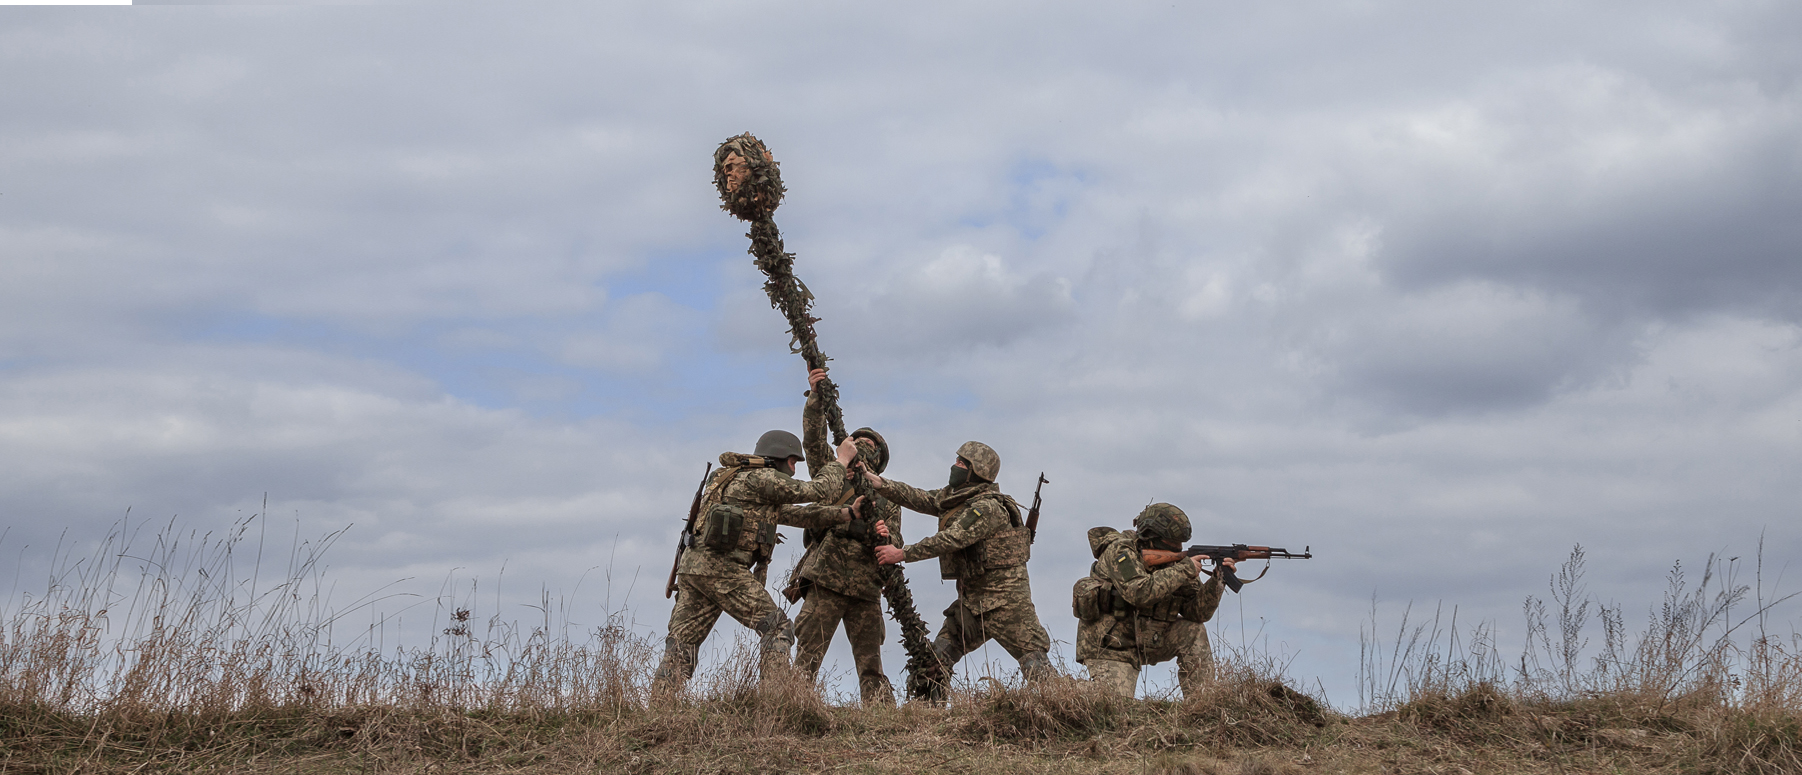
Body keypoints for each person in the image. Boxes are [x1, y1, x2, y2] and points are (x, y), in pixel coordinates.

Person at [651, 418, 865, 694]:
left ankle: (660, 708)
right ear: (784, 459)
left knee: (682, 643)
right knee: (777, 628)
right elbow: (819, 491)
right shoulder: (763, 479)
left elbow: (793, 515)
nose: (795, 468)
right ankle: (775, 701)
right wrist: (841, 461)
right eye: (794, 462)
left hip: (694, 569)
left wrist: (846, 514)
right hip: (723, 570)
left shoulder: (734, 478)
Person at [869, 441, 1053, 688]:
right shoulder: (957, 498)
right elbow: (920, 497)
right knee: (932, 665)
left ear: (975, 471)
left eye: (961, 463)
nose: (954, 466)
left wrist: (901, 554)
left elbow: (952, 538)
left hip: (1008, 606)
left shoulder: (987, 508)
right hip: (972, 605)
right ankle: (928, 718)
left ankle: (1080, 710)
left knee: (1038, 669)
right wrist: (879, 483)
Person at [786, 368, 904, 707]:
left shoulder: (888, 496)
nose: (862, 448)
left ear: (879, 461)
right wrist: (814, 399)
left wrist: (883, 535)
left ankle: (882, 720)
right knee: (807, 656)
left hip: (866, 587)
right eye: (858, 443)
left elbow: (894, 538)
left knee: (871, 665)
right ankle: (793, 708)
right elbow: (812, 440)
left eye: (870, 446)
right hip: (826, 578)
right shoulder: (833, 472)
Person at [1073, 503, 1233, 698]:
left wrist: (1218, 580)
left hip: (1149, 638)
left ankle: (1203, 706)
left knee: (1193, 631)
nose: (1178, 548)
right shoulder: (1121, 552)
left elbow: (1197, 613)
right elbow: (1139, 593)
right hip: (1112, 645)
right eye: (1171, 543)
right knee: (1114, 706)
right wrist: (1184, 569)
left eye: (1180, 544)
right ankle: (1063, 690)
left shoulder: (1176, 562)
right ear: (1150, 537)